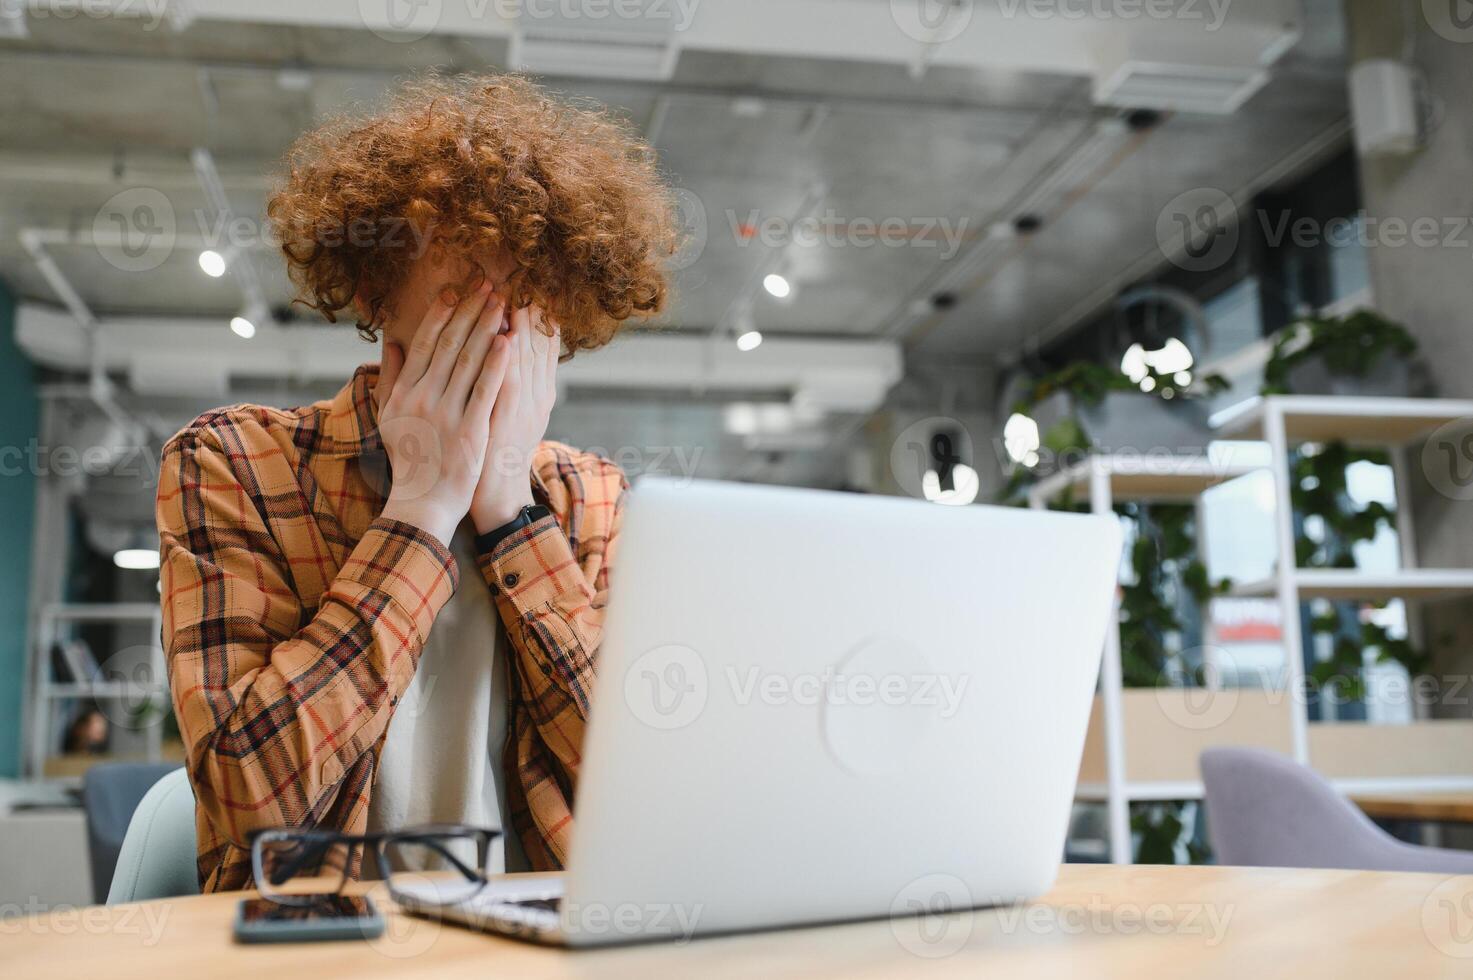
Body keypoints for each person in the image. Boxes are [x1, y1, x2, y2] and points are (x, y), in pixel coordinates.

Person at [155, 75, 677, 892]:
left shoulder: (587, 495)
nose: (501, 332)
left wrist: (508, 508)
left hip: (541, 939)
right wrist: (423, 508)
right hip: (324, 941)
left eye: (530, 303)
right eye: (468, 295)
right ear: (374, 293)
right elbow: (248, 793)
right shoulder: (234, 462)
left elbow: (652, 791)